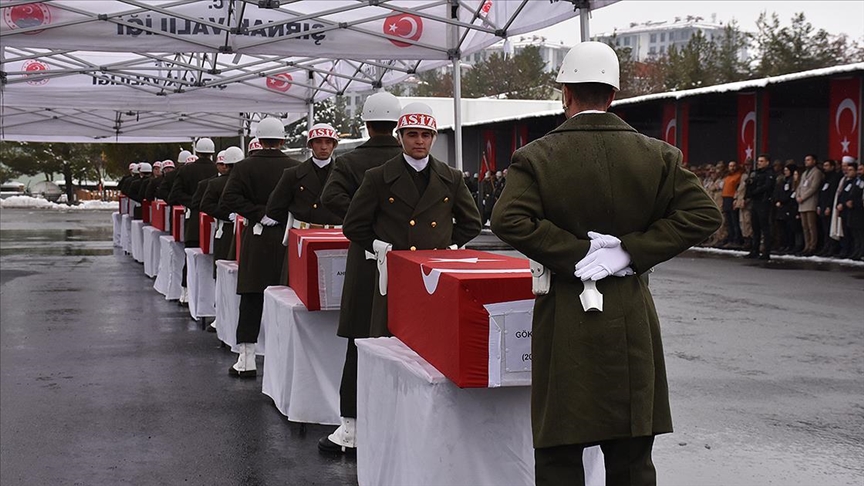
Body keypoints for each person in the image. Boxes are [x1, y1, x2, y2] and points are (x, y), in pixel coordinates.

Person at [489, 41, 721, 486]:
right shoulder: (658, 155)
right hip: (629, 314)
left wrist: (578, 255)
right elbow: (703, 215)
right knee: (632, 454)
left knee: (559, 452)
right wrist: (628, 252)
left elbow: (508, 219)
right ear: (613, 95)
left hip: (563, 315)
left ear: (566, 94)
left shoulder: (537, 155)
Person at [339, 102, 482, 452]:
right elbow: (353, 225)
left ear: (433, 137)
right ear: (400, 136)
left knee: (429, 352)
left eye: (426, 135)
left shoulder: (450, 176)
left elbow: (471, 222)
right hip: (391, 276)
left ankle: (424, 429)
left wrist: (448, 246)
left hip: (431, 277)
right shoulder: (378, 177)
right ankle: (377, 423)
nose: (419, 142)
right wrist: (376, 245)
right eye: (412, 134)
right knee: (388, 347)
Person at [318, 92, 404, 455]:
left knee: (358, 341)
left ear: (366, 124)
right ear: (398, 125)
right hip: (407, 261)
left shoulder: (350, 162)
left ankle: (350, 428)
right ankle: (397, 421)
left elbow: (331, 199)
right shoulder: (410, 158)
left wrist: (364, 214)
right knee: (404, 343)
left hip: (366, 255)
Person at [218, 118, 301, 378]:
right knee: (285, 298)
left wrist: (258, 213)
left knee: (252, 296)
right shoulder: (296, 167)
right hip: (288, 236)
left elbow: (229, 198)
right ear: (283, 140)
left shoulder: (243, 167)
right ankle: (285, 357)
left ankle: (247, 357)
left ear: (259, 140)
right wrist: (279, 213)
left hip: (257, 236)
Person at [265, 123, 343, 229]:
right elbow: (274, 209)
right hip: (303, 232)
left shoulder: (344, 173)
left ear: (334, 145)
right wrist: (295, 220)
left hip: (336, 234)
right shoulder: (293, 174)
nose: (324, 147)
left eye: (328, 142)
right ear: (310, 145)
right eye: (318, 142)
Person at [169, 139, 219, 305]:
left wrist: (193, 203)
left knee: (190, 258)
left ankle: (186, 292)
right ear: (212, 152)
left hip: (194, 219)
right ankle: (211, 297)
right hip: (216, 218)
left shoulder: (185, 170)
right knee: (214, 260)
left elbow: (176, 193)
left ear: (196, 151)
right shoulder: (218, 169)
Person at [745, 155, 776, 260]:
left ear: (767, 162)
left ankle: (766, 252)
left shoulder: (769, 173)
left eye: (762, 161)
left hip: (764, 201)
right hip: (756, 201)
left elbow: (767, 186)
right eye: (758, 161)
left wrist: (756, 191)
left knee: (764, 227)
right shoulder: (756, 173)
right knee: (755, 227)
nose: (759, 163)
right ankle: (755, 250)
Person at [795, 154, 824, 256]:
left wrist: (803, 197)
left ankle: (812, 246)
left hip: (810, 201)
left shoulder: (817, 172)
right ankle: (806, 245)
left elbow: (813, 187)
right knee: (804, 226)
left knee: (812, 225)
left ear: (814, 161)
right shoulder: (804, 173)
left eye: (808, 160)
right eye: (805, 160)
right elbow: (799, 186)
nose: (806, 162)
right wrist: (798, 196)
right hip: (801, 202)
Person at [816, 159, 842, 256]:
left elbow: (832, 194)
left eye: (827, 166)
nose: (825, 168)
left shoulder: (834, 178)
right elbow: (821, 192)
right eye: (824, 165)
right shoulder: (824, 178)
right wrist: (819, 205)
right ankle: (825, 247)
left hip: (828, 206)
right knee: (824, 228)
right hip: (822, 205)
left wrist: (828, 206)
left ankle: (832, 247)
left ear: (832, 167)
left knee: (830, 228)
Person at [721, 160, 743, 247]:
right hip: (726, 198)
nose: (732, 168)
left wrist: (735, 199)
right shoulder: (727, 177)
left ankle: (737, 239)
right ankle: (730, 238)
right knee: (728, 221)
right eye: (730, 166)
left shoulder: (738, 176)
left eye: (733, 166)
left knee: (735, 220)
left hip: (732, 198)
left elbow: (738, 189)